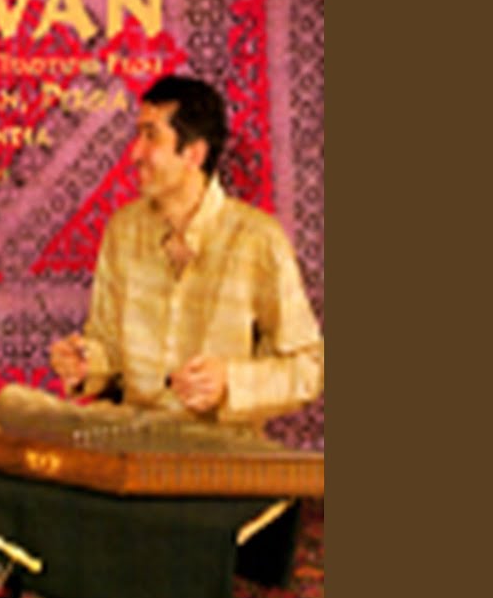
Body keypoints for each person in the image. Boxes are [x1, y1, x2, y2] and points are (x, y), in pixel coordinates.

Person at [48, 75, 323, 431]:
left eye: (151, 136)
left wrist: (230, 383)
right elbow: (109, 350)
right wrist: (86, 365)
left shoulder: (258, 240)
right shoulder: (123, 231)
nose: (134, 153)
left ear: (194, 153)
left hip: (220, 455)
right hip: (132, 445)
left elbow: (309, 369)